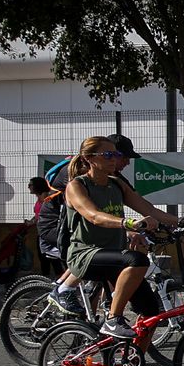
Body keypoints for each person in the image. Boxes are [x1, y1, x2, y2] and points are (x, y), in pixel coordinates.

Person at [61, 134, 181, 366]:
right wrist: (128, 222)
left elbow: (148, 208)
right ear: (89, 159)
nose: (115, 159)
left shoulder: (116, 184)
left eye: (115, 154)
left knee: (150, 312)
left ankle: (133, 363)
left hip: (114, 257)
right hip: (85, 254)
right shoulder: (77, 186)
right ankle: (113, 319)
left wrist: (180, 221)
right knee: (137, 260)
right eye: (108, 155)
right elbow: (93, 215)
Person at [45, 133, 140, 317]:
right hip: (56, 222)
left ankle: (92, 320)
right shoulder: (80, 177)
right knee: (94, 251)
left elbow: (137, 201)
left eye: (117, 156)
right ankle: (62, 288)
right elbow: (93, 214)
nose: (125, 162)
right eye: (123, 157)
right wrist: (127, 226)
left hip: (92, 225)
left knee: (105, 259)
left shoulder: (113, 178)